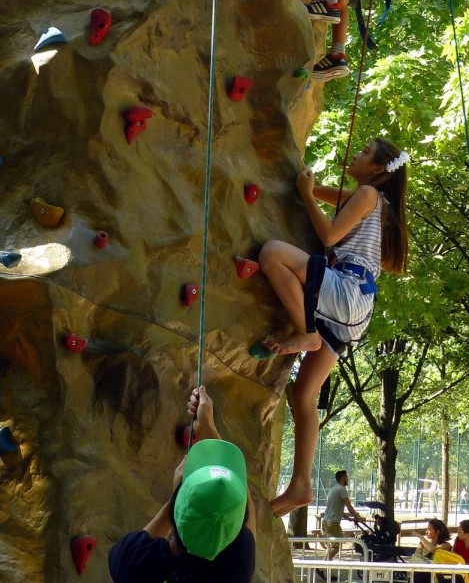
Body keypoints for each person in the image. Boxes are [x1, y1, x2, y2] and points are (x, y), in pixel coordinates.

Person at [234, 138, 409, 516]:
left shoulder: (366, 195)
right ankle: (300, 485)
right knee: (302, 395)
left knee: (272, 254)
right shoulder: (373, 201)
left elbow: (329, 235)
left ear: (378, 170)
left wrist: (308, 196)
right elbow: (328, 195)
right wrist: (307, 188)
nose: (357, 155)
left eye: (364, 153)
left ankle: (307, 332)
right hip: (354, 308)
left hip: (344, 290)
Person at [108, 386, 255, 583]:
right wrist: (208, 428)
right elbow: (249, 507)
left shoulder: (134, 560)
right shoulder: (237, 568)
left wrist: (207, 425)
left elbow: (244, 502)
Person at [321, 470, 361, 565]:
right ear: (343, 477)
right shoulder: (342, 489)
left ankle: (326, 569)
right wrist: (358, 517)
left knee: (332, 546)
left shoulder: (333, 489)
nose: (348, 479)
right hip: (332, 522)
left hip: (326, 521)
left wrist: (348, 518)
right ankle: (321, 566)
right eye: (347, 477)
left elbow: (337, 508)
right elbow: (349, 506)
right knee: (337, 546)